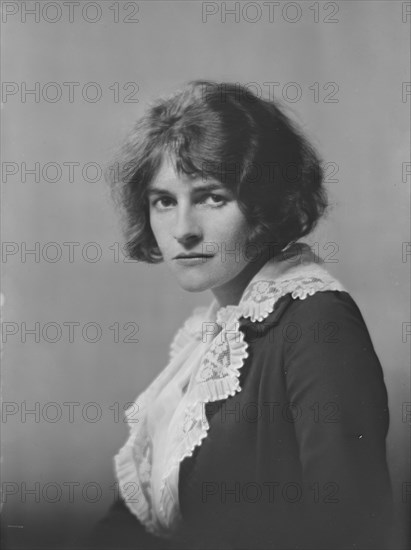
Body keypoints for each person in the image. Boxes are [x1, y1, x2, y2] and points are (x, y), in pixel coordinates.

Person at [85, 81, 392, 549]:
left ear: (265, 203)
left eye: (212, 197)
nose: (184, 230)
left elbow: (352, 531)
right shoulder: (209, 340)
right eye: (164, 201)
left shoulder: (317, 324)